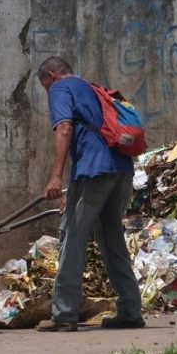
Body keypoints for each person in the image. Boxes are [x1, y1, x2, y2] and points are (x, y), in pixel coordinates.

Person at [35, 56, 144, 332]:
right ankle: (131, 311)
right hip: (121, 169)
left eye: (45, 86)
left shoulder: (61, 88)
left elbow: (65, 128)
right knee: (112, 240)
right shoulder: (92, 88)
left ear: (50, 75)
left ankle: (64, 314)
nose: (48, 93)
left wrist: (57, 177)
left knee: (72, 238)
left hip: (94, 171)